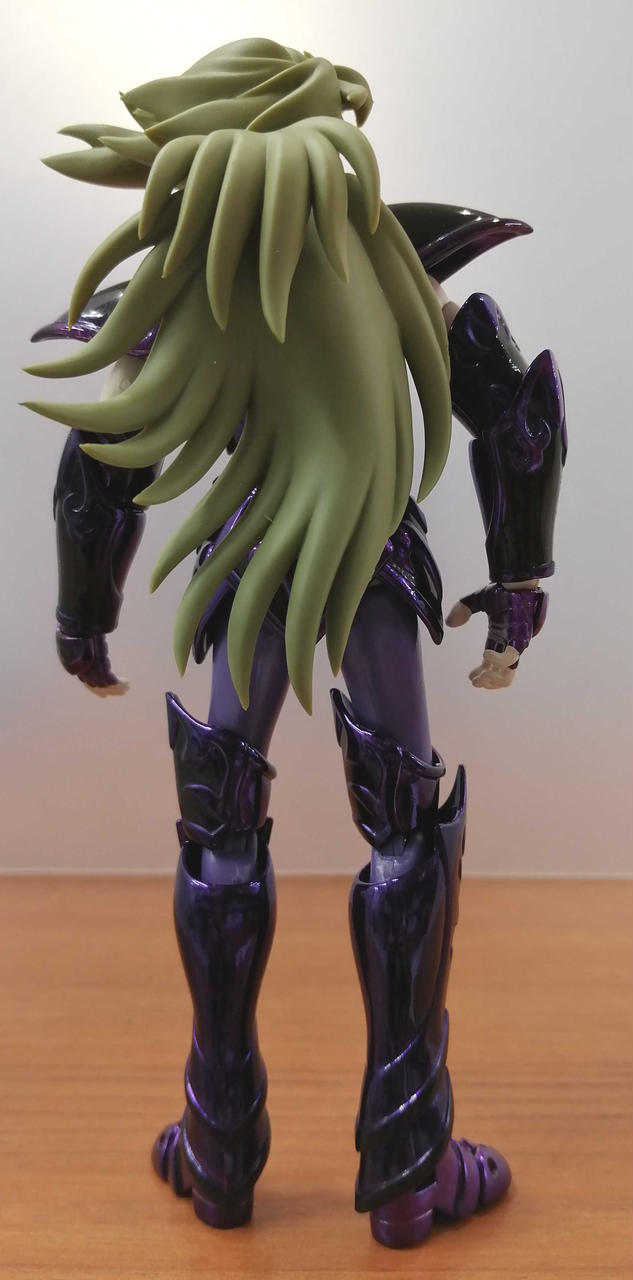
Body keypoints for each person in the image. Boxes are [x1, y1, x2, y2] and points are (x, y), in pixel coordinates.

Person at [25, 38, 565, 1250]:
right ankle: (407, 1171)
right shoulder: (384, 270)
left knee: (232, 825)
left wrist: (84, 613)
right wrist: (519, 576)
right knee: (399, 829)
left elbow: (100, 465)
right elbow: (516, 417)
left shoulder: (209, 287)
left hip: (251, 566)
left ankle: (223, 1150)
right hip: (367, 562)